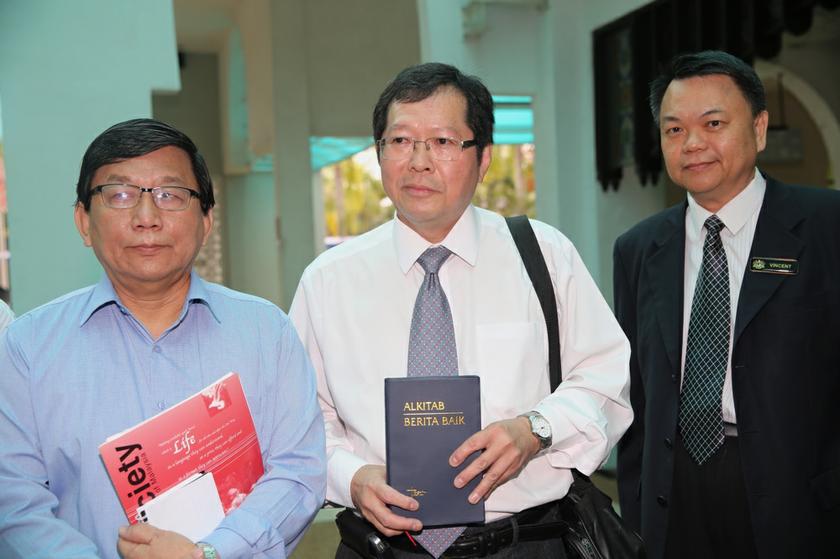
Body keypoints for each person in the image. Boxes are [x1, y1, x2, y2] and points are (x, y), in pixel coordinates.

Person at [290, 62, 632, 559]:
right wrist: (352, 477)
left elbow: (605, 379)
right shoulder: (328, 280)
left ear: (484, 157)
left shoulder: (542, 254)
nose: (419, 161)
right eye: (400, 140)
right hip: (383, 548)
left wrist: (535, 429)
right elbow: (301, 421)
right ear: (379, 152)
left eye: (443, 141)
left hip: (525, 543)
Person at [0, 118, 326, 559]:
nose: (147, 218)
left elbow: (297, 474)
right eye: (120, 195)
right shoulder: (26, 348)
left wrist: (209, 554)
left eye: (170, 195)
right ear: (83, 221)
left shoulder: (267, 333)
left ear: (206, 220)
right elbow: (15, 502)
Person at [613, 50, 840, 559]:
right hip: (674, 495)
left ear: (758, 129)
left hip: (800, 496)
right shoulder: (638, 248)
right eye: (674, 130)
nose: (692, 143)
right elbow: (636, 395)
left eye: (713, 124)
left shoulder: (827, 225)